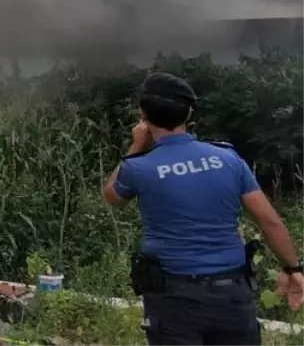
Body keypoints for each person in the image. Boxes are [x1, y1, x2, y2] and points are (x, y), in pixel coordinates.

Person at [101, 71, 304, 344]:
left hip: (174, 299)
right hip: (232, 294)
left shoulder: (138, 167)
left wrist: (137, 145)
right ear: (189, 115)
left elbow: (112, 196)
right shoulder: (228, 159)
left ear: (143, 115)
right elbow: (270, 222)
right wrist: (293, 269)